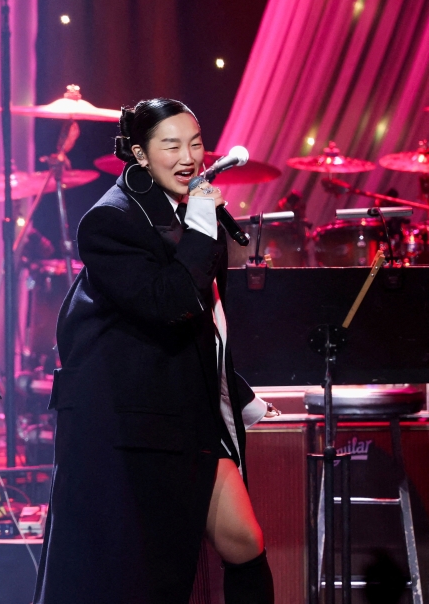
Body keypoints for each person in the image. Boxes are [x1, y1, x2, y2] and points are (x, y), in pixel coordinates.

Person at [33, 98, 275, 604]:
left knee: (244, 542)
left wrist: (239, 395)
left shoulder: (186, 210)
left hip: (180, 411)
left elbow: (203, 324)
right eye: (171, 145)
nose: (188, 156)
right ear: (140, 155)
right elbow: (168, 304)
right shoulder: (110, 221)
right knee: (135, 577)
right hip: (123, 425)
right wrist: (203, 228)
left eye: (195, 143)